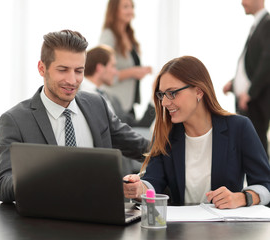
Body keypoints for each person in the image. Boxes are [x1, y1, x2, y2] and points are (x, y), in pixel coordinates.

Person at [0, 30, 150, 203]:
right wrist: (45, 177)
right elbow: (3, 185)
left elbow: (143, 148)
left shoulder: (97, 105)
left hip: (101, 218)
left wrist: (179, 152)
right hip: (47, 223)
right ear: (42, 68)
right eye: (63, 70)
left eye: (79, 71)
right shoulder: (16, 120)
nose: (72, 80)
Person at [123, 56, 270, 209]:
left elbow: (265, 184)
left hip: (226, 229)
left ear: (199, 91)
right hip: (179, 229)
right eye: (161, 95)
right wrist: (139, 189)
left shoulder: (239, 127)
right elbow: (153, 182)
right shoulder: (165, 133)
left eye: (172, 93)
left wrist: (242, 198)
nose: (164, 103)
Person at [223, 0, 270, 156]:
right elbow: (251, 63)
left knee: (257, 150)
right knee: (248, 150)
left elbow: (267, 62)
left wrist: (250, 92)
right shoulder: (258, 25)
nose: (242, 2)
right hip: (247, 100)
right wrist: (234, 82)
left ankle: (264, 182)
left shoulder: (267, 24)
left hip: (254, 101)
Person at [80, 45, 155, 128]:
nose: (116, 72)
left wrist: (154, 97)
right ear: (100, 68)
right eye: (113, 66)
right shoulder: (74, 94)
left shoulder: (112, 100)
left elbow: (138, 127)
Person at [99, 0, 152, 117]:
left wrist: (140, 71)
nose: (131, 11)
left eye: (132, 7)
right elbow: (102, 71)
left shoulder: (129, 36)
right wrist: (133, 72)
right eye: (126, 7)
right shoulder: (109, 35)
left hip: (128, 104)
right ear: (114, 10)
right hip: (115, 104)